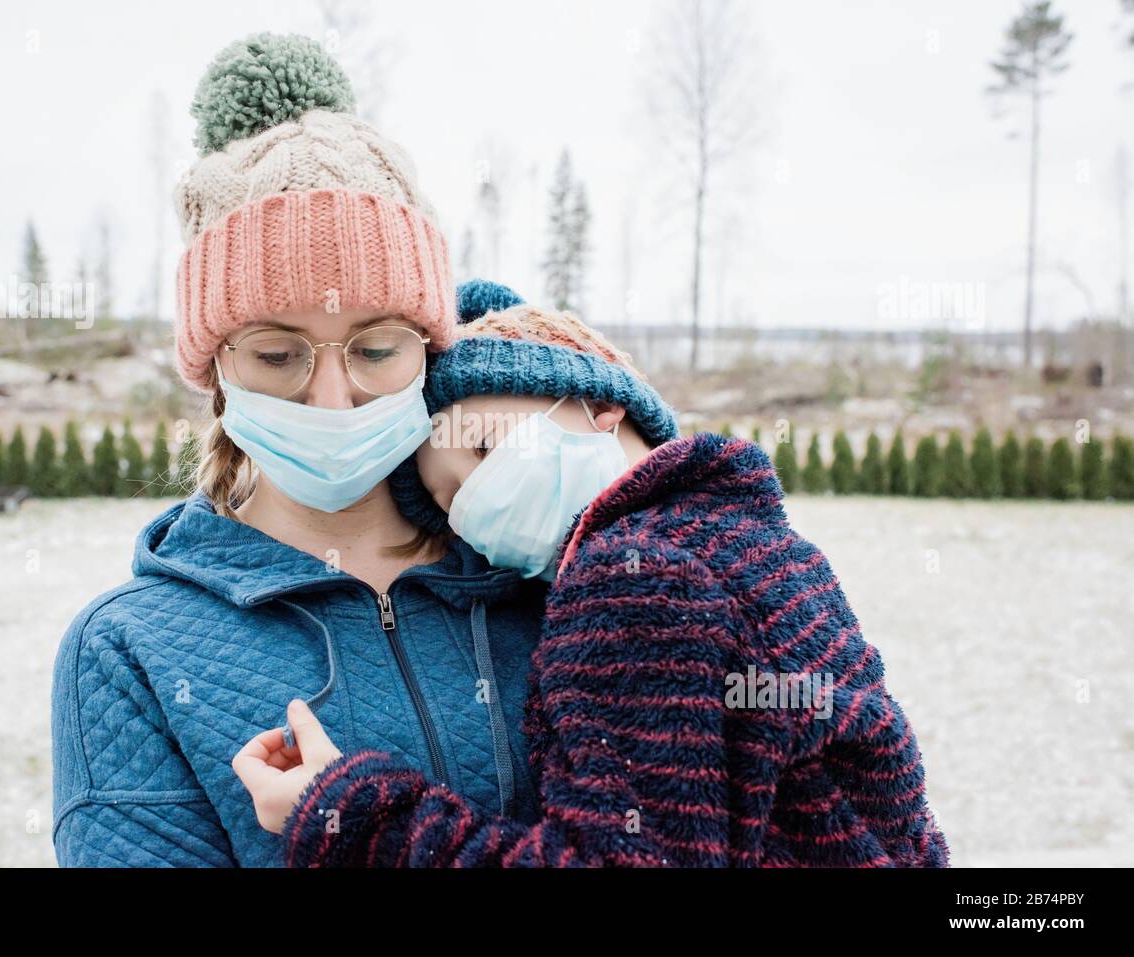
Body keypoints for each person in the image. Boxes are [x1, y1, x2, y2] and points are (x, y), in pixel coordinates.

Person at [50, 33, 546, 867]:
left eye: (377, 347)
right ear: (218, 374)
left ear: (431, 350)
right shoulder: (130, 651)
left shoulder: (540, 576)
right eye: (279, 355)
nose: (332, 397)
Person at [232, 301, 951, 867]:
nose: (479, 499)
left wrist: (352, 813)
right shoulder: (761, 543)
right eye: (455, 506)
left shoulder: (630, 580)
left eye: (481, 447)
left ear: (596, 405)